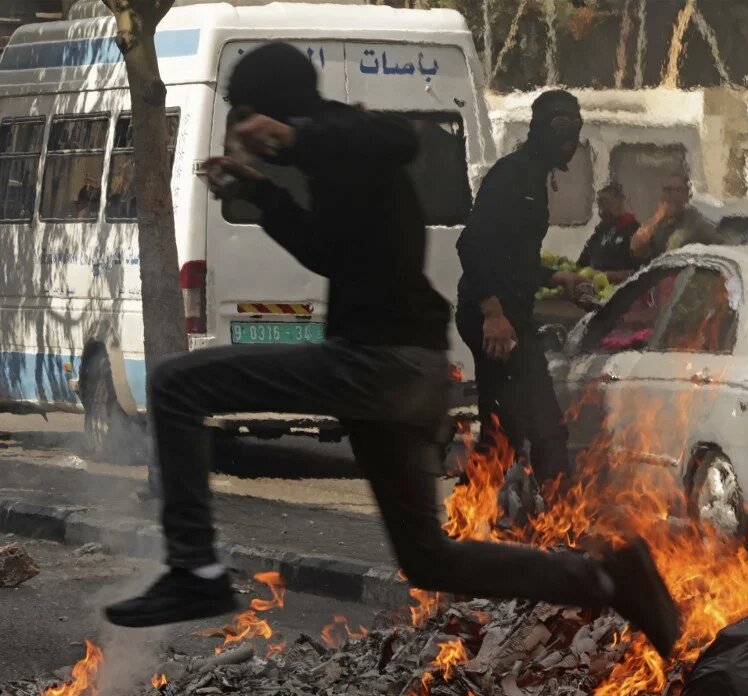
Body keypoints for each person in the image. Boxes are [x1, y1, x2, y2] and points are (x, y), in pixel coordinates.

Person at [103, 44, 681, 657]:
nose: (243, 129)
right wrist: (263, 194)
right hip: (401, 371)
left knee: (176, 385)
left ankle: (193, 572)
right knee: (429, 559)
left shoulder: (346, 133)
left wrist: (292, 135)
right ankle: (608, 578)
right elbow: (331, 254)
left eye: (246, 113)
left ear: (272, 107)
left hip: (376, 363)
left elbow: (395, 140)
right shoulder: (334, 161)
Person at [456, 90, 592, 488]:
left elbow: (514, 258)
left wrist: (556, 279)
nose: (569, 142)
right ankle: (560, 529)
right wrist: (493, 314)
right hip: (494, 317)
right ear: (543, 129)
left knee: (506, 432)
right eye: (562, 129)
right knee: (546, 429)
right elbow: (472, 244)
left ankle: (469, 528)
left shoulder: (534, 174)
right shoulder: (513, 174)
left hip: (507, 314)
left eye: (574, 130)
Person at [630, 170, 717, 261]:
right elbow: (635, 247)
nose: (672, 195)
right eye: (668, 190)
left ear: (687, 196)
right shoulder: (658, 223)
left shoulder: (695, 222)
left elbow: (721, 250)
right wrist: (657, 217)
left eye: (678, 190)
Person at [577, 181, 641, 283]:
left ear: (620, 201)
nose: (601, 210)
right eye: (599, 203)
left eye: (605, 202)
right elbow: (583, 259)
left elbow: (640, 271)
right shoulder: (602, 228)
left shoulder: (634, 230)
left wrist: (610, 276)